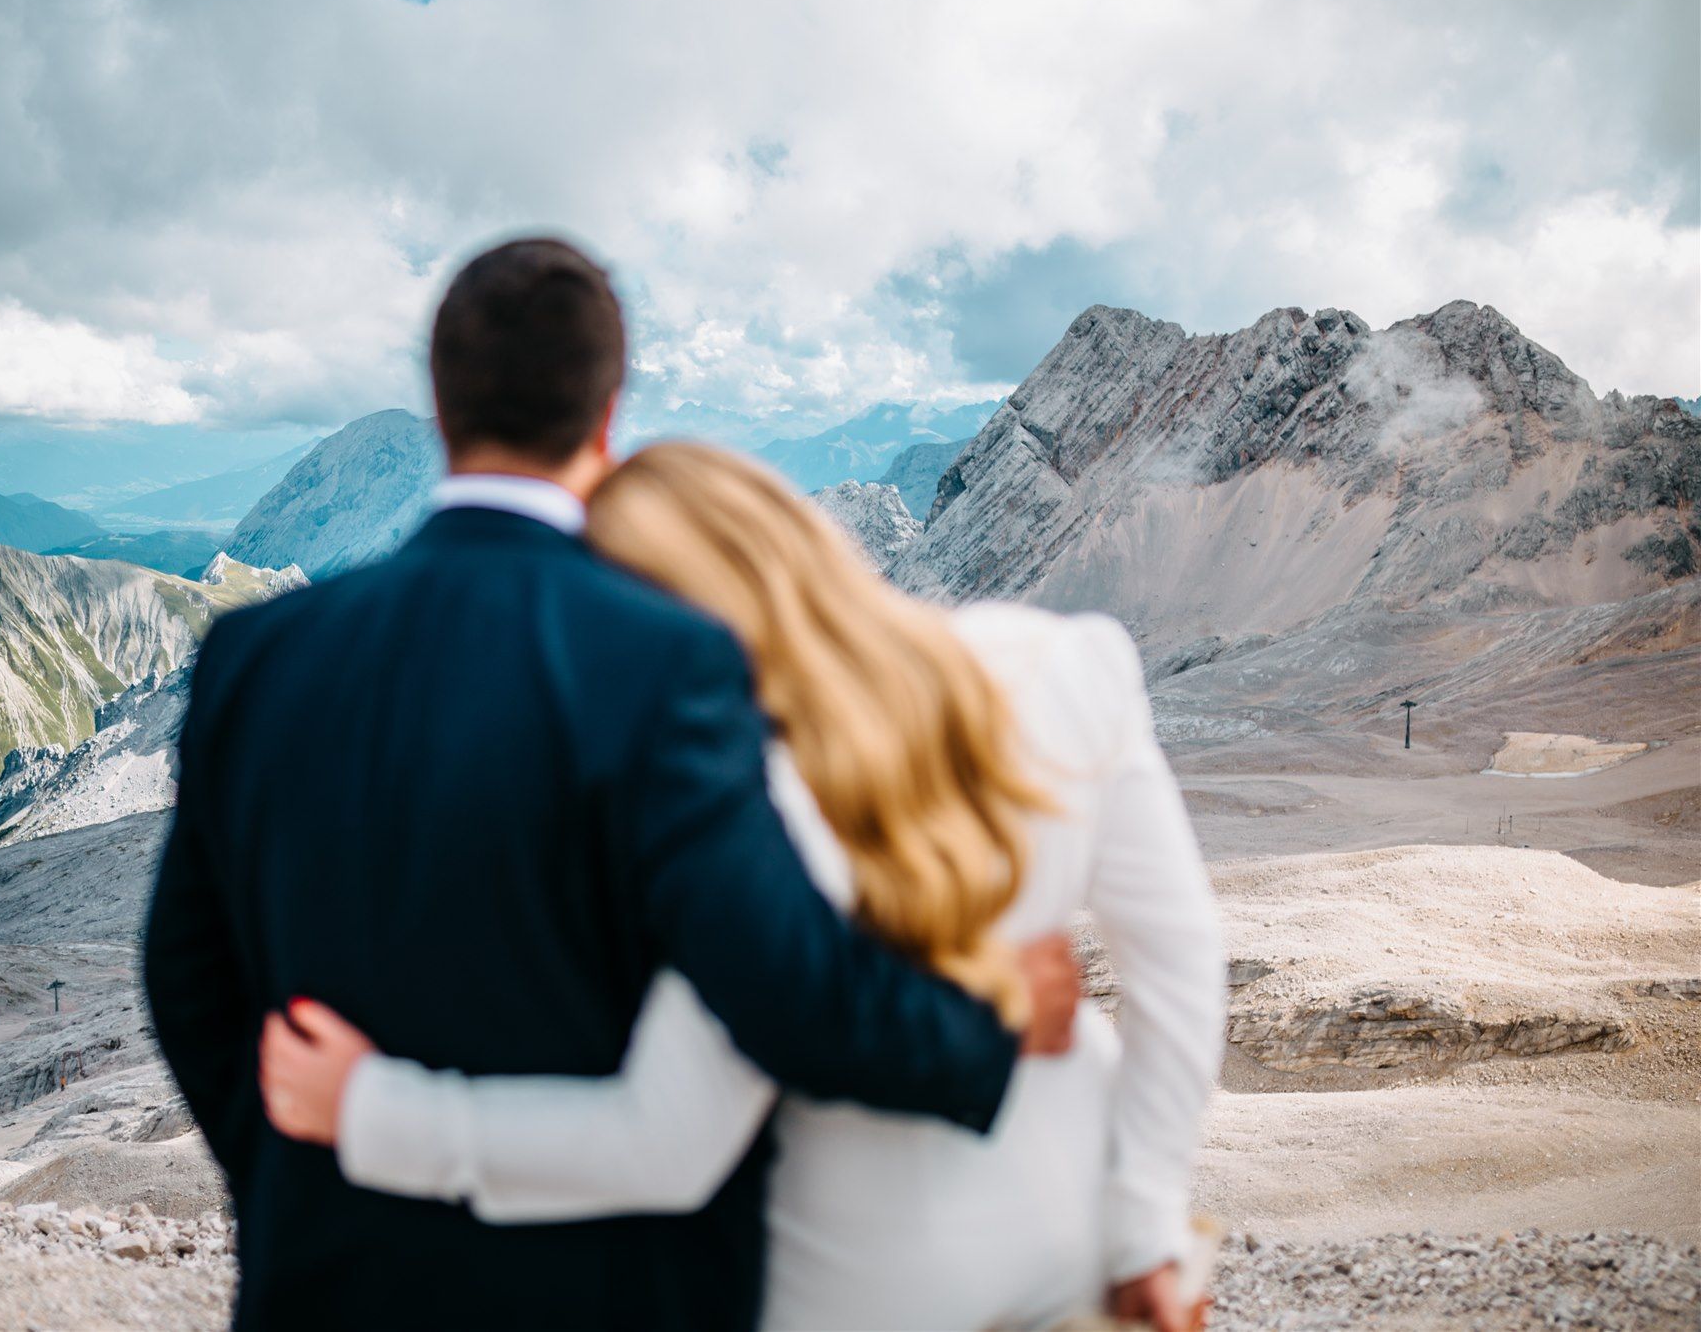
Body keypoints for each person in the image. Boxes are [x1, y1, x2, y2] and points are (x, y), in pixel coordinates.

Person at [143, 237, 1082, 1332]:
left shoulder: (257, 655)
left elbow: (186, 976)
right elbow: (781, 985)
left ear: (439, 406)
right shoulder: (667, 663)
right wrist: (986, 1021)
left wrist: (298, 1175)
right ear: (607, 410)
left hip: (326, 1280)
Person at [261, 442, 1229, 1331]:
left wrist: (372, 1110)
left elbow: (664, 1140)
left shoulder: (736, 809)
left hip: (847, 1289)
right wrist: (1142, 1217)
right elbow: (1180, 965)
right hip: (1077, 1236)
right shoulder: (1065, 664)